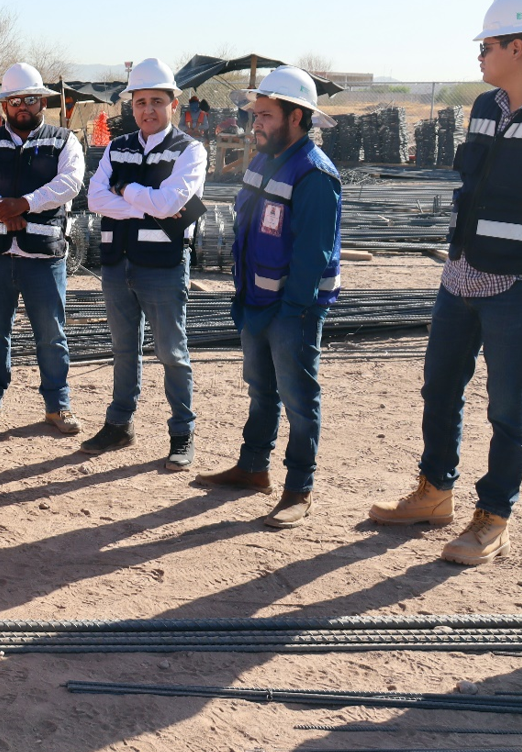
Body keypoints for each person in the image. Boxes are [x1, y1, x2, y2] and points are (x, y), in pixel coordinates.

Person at [369, 1, 522, 565]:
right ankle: (434, 493)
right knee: (440, 389)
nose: (479, 56)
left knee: (510, 409)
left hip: (515, 285)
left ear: (517, 47)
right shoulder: (485, 107)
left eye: (486, 46)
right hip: (460, 274)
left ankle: (494, 516)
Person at [196, 66, 342, 529]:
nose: (254, 123)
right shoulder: (263, 159)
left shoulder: (316, 175)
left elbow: (312, 254)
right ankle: (253, 467)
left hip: (292, 311)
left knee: (299, 397)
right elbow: (247, 228)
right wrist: (245, 297)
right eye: (255, 114)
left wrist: (292, 312)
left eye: (264, 114)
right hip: (256, 301)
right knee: (261, 390)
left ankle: (299, 488)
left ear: (296, 116)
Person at [83, 58, 206, 470]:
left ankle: (181, 432)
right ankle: (120, 425)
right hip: (117, 264)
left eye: (156, 100)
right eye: (140, 102)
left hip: (164, 266)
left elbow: (174, 203)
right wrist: (146, 203)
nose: (147, 109)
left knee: (171, 352)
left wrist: (124, 188)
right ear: (130, 106)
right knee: (122, 349)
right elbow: (94, 199)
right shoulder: (118, 147)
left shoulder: (190, 150)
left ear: (174, 103)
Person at [0, 62, 85, 433]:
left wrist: (25, 203)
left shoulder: (64, 140)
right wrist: (1, 208)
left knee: (51, 332)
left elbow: (71, 182)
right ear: (3, 106)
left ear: (42, 101)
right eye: (15, 101)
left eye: (30, 99)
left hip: (43, 256)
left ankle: (58, 405)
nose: (23, 107)